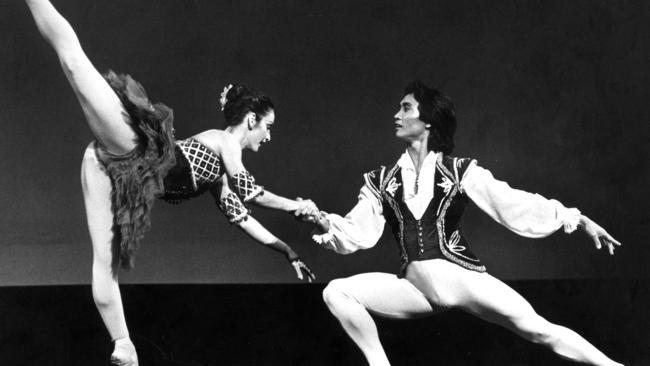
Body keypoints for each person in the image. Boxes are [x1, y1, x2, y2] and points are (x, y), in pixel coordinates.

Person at [24, 1, 317, 365]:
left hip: (110, 169)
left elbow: (244, 217)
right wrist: (297, 205)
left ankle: (125, 346)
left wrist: (288, 250)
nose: (269, 137)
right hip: (133, 146)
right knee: (73, 62)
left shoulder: (219, 179)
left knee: (105, 262)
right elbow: (253, 193)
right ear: (252, 120)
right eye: (269, 127)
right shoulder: (225, 142)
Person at [308, 81, 623, 366]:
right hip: (416, 289)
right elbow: (356, 233)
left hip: (463, 279)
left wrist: (577, 219)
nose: (396, 115)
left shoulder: (459, 171)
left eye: (405, 108)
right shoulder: (382, 181)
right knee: (337, 291)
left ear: (428, 120)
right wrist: (323, 220)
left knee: (540, 330)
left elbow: (513, 204)